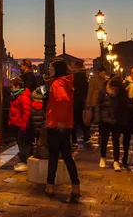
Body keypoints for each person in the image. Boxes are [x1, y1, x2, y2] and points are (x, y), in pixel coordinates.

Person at [44, 58, 80, 200]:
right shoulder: (66, 82)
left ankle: (50, 185)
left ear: (56, 69)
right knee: (67, 156)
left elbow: (63, 100)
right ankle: (75, 186)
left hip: (56, 125)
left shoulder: (57, 84)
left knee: (53, 156)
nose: (49, 69)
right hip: (66, 124)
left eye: (51, 67)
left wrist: (60, 120)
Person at [94, 76, 127, 172]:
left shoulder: (121, 94)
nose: (113, 92)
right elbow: (98, 105)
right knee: (104, 140)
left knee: (116, 141)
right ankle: (102, 157)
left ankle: (116, 161)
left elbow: (123, 107)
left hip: (116, 120)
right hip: (105, 120)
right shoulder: (103, 92)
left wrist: (123, 120)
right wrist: (98, 119)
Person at [8, 77, 32, 172]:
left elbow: (26, 113)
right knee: (20, 143)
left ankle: (25, 162)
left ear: (18, 86)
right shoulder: (17, 97)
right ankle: (23, 161)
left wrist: (23, 126)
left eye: (12, 87)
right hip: (16, 124)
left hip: (21, 125)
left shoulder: (23, 97)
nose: (11, 89)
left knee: (23, 144)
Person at [84, 67, 107, 144]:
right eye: (103, 73)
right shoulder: (93, 80)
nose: (104, 75)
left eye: (105, 73)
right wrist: (88, 102)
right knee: (91, 118)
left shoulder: (104, 80)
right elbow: (90, 91)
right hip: (94, 102)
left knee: (101, 118)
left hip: (101, 102)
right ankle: (87, 135)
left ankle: (101, 133)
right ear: (99, 72)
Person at [71, 60, 90, 147]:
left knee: (73, 121)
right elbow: (86, 90)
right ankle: (86, 137)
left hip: (73, 101)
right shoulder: (84, 77)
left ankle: (74, 140)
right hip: (81, 101)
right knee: (80, 120)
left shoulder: (73, 77)